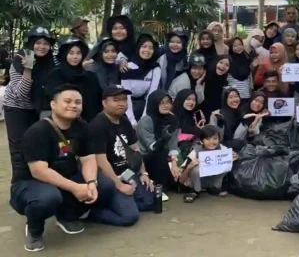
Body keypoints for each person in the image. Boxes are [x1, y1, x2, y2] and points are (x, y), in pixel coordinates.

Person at [10, 85, 129, 252]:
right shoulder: (37, 131)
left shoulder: (82, 127)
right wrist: (75, 188)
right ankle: (34, 229)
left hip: (65, 177)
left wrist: (91, 182)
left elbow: (88, 159)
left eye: (78, 102)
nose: (73, 105)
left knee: (105, 185)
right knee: (48, 197)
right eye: (67, 101)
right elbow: (39, 170)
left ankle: (67, 215)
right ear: (53, 104)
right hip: (31, 183)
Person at [90, 85, 155, 213]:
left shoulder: (124, 121)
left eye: (124, 99)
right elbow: (101, 161)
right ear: (104, 103)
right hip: (107, 177)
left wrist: (143, 173)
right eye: (116, 100)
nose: (122, 103)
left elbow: (135, 149)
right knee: (130, 216)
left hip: (127, 172)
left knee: (150, 201)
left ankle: (123, 202)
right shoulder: (97, 125)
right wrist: (119, 185)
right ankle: (91, 213)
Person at [4, 27, 57, 182]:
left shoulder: (52, 61)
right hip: (17, 109)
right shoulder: (19, 60)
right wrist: (28, 70)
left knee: (37, 146)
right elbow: (21, 93)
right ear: (31, 44)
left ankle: (38, 181)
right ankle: (19, 185)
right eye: (37, 43)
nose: (41, 47)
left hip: (39, 108)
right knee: (19, 149)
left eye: (45, 43)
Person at [42, 37, 102, 122]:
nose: (75, 57)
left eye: (78, 53)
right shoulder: (55, 75)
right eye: (71, 53)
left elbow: (97, 101)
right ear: (65, 54)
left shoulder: (90, 77)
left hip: (87, 123)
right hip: (62, 122)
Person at [136, 90, 180, 199]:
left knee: (180, 158)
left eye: (168, 102)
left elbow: (173, 144)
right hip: (145, 156)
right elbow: (152, 147)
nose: (166, 105)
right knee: (160, 154)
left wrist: (174, 164)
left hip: (163, 154)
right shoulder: (145, 121)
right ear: (154, 104)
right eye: (161, 103)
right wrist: (165, 135)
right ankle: (158, 187)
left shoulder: (172, 119)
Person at [181, 125, 237, 203]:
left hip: (211, 181)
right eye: (207, 139)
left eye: (215, 138)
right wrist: (189, 167)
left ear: (219, 139)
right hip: (195, 182)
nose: (212, 142)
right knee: (196, 169)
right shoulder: (195, 151)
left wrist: (233, 158)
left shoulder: (222, 148)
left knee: (226, 162)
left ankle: (214, 188)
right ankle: (195, 191)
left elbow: (230, 159)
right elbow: (181, 180)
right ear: (201, 141)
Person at [121, 34, 161, 126]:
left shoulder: (155, 68)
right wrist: (132, 120)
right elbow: (126, 95)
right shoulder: (128, 67)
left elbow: (151, 93)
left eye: (150, 48)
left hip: (143, 105)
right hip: (126, 104)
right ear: (138, 48)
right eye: (144, 46)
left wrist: (144, 117)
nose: (147, 50)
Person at [201, 55, 234, 122]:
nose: (223, 66)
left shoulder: (226, 82)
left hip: (216, 114)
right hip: (201, 112)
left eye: (227, 65)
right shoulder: (205, 76)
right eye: (221, 62)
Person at [228, 36, 255, 102]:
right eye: (235, 45)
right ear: (231, 48)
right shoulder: (228, 61)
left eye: (240, 44)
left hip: (246, 95)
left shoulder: (248, 59)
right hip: (232, 96)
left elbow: (250, 79)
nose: (238, 47)